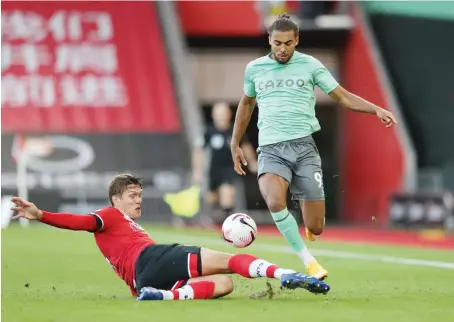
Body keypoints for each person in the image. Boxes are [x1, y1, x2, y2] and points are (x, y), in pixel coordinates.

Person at [230, 14, 398, 280]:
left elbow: (342, 96)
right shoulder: (255, 69)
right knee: (274, 201)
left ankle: (309, 224)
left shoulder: (311, 65)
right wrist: (235, 141)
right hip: (271, 148)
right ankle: (309, 261)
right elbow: (247, 104)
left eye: (288, 43)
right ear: (269, 41)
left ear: (297, 40)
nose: (282, 49)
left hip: (304, 149)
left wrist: (375, 108)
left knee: (316, 226)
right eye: (277, 43)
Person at [10, 174, 330, 301]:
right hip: (150, 260)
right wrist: (41, 215)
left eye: (140, 195)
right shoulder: (108, 216)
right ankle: (285, 273)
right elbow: (79, 221)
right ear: (115, 199)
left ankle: (162, 296)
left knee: (225, 285)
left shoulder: (132, 227)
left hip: (144, 279)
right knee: (228, 262)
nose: (138, 200)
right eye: (132, 195)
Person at [192, 102, 257, 224]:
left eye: (223, 113)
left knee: (227, 194)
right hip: (214, 170)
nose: (221, 117)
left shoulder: (235, 131)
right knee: (212, 198)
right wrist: (198, 170)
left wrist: (252, 162)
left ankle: (227, 224)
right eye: (218, 114)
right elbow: (199, 151)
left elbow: (246, 146)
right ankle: (210, 217)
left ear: (229, 114)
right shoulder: (209, 131)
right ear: (214, 115)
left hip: (230, 168)